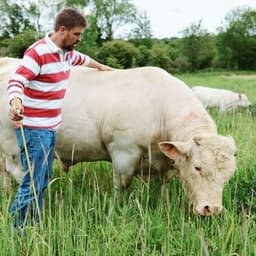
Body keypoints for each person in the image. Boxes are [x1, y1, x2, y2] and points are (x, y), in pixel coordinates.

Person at [7, 8, 113, 228]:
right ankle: (17, 228)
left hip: (50, 128)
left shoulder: (67, 53)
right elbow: (17, 81)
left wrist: (102, 67)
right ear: (62, 30)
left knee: (42, 179)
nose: (79, 39)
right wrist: (15, 103)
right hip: (33, 129)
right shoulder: (37, 53)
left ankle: (33, 223)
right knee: (33, 183)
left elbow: (83, 59)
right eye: (76, 34)